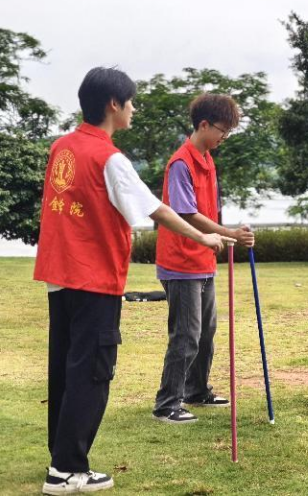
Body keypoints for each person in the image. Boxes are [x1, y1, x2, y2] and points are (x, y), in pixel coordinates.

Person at [34, 67, 228, 495]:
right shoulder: (109, 158)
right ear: (113, 105)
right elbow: (157, 210)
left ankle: (59, 459)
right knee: (92, 373)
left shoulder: (62, 147)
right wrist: (204, 237)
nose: (134, 109)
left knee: (66, 370)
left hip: (58, 275)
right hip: (93, 278)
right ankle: (67, 471)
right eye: (131, 102)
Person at [153, 93, 255, 424]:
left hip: (203, 260)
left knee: (206, 332)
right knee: (186, 335)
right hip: (180, 262)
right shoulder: (181, 163)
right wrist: (228, 233)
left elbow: (207, 211)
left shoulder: (207, 160)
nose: (225, 137)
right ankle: (167, 403)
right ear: (204, 125)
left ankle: (196, 390)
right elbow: (187, 213)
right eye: (222, 130)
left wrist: (227, 234)